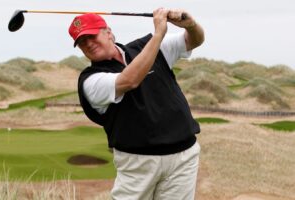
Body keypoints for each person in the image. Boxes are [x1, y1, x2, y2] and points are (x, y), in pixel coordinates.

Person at [68, 7, 204, 200]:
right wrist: (158, 35)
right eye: (81, 42)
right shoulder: (91, 80)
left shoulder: (146, 46)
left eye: (92, 36)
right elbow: (130, 80)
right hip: (137, 164)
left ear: (108, 33)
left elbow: (193, 41)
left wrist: (191, 26)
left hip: (183, 156)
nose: (88, 44)